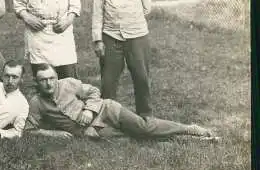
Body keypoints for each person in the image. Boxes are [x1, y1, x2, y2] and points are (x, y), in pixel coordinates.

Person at [25, 63, 216, 140]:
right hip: (91, 131)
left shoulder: (68, 83)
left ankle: (188, 129)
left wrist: (89, 111)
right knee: (131, 140)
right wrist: (54, 134)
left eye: (51, 78)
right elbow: (30, 129)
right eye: (43, 80)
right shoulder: (36, 103)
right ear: (37, 82)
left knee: (143, 127)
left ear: (56, 77)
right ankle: (187, 141)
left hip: (105, 110)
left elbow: (93, 91)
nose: (49, 83)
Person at [92, 0, 153, 117]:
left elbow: (146, 6)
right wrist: (97, 39)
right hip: (110, 36)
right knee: (109, 82)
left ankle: (145, 117)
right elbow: (97, 9)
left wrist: (129, 18)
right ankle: (108, 120)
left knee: (142, 78)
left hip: (137, 35)